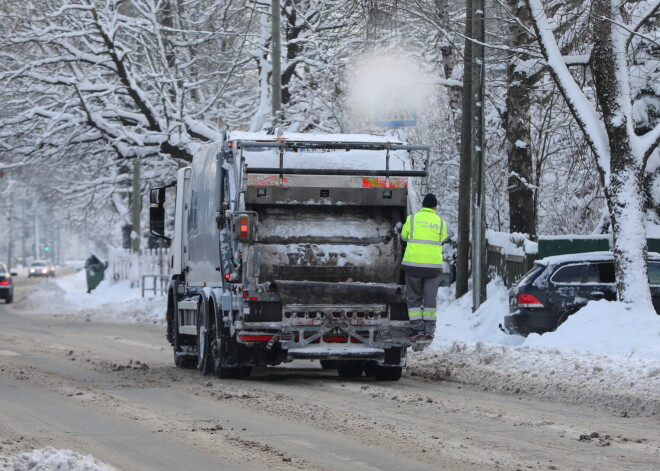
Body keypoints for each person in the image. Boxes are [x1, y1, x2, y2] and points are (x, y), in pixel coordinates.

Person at [400, 193, 448, 340]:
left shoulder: (412, 219)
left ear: (422, 205)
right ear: (435, 207)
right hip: (432, 268)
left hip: (413, 266)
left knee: (414, 297)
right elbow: (443, 239)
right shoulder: (440, 222)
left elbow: (403, 237)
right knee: (430, 299)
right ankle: (429, 330)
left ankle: (417, 329)